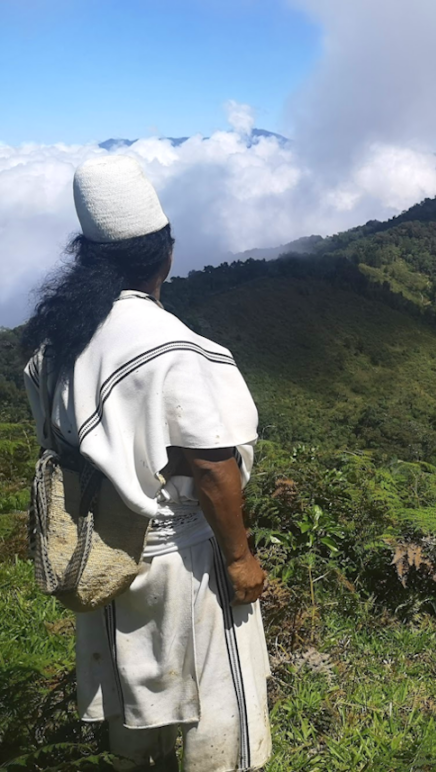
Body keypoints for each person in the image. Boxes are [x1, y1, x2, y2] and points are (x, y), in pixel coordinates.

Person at [21, 155, 271, 771]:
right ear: (166, 255)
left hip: (101, 553)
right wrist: (239, 558)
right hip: (183, 560)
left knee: (132, 700)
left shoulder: (57, 342)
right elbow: (213, 466)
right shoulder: (178, 350)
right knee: (218, 704)